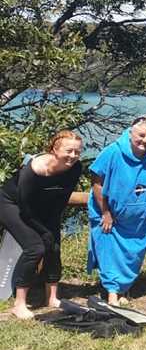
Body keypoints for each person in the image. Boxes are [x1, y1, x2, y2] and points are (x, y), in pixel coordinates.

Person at [88, 116, 146, 305]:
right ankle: (112, 291)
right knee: (109, 251)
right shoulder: (112, 152)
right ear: (130, 134)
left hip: (142, 217)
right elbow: (96, 182)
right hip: (111, 215)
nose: (144, 140)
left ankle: (124, 289)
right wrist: (106, 212)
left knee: (133, 254)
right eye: (140, 135)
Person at [0, 131, 82, 319]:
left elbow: (62, 198)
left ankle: (51, 298)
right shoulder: (35, 169)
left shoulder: (75, 168)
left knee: (53, 245)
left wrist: (51, 228)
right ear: (54, 149)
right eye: (69, 151)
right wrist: (42, 230)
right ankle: (19, 303)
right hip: (11, 204)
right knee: (35, 248)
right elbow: (25, 207)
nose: (73, 156)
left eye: (78, 152)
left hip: (42, 206)